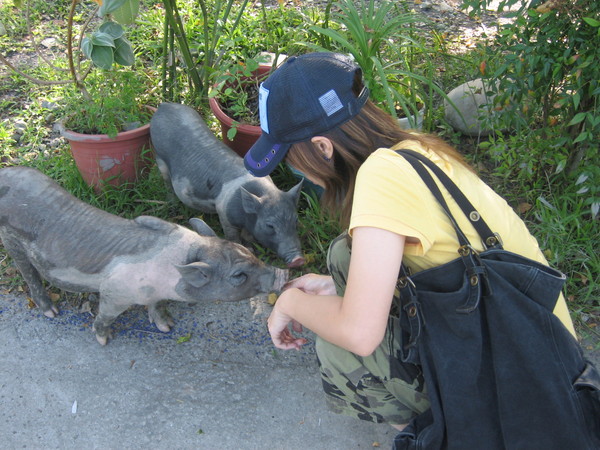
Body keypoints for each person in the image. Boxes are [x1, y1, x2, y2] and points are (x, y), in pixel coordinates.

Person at [243, 52, 577, 430]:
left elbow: (359, 334)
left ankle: (445, 436)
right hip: (536, 348)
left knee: (339, 349)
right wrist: (330, 289)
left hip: (526, 386)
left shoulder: (380, 176)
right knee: (343, 258)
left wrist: (288, 300)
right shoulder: (413, 148)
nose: (295, 169)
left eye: (290, 158)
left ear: (322, 147)